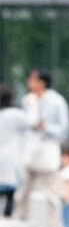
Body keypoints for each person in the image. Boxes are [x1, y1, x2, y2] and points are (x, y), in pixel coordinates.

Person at [20, 68, 69, 227]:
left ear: (42, 82)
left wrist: (45, 127)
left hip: (48, 150)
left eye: (34, 79)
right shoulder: (27, 100)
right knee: (22, 192)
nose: (30, 83)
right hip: (29, 151)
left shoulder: (57, 101)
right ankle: (20, 222)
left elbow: (64, 129)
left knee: (52, 194)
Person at [0, 85, 27, 219]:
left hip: (7, 155)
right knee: (10, 189)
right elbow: (33, 123)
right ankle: (7, 216)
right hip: (11, 155)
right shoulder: (15, 114)